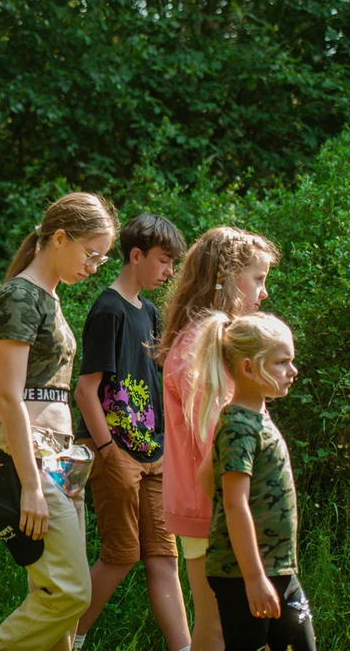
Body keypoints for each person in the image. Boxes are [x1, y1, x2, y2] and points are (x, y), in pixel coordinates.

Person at [0, 192, 119, 651]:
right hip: (34, 458)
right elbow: (8, 395)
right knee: (70, 592)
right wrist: (32, 486)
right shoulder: (21, 296)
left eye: (102, 258)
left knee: (57, 594)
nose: (95, 266)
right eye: (91, 253)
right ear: (60, 237)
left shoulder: (49, 297)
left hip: (62, 457)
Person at [156, 226, 279, 650]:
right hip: (212, 508)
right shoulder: (207, 340)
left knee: (222, 626)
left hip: (213, 506)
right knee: (218, 628)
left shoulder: (207, 334)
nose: (263, 293)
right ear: (226, 276)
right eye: (258, 278)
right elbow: (216, 439)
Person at [73, 214, 191, 650]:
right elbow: (86, 390)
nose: (169, 271)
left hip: (154, 454)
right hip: (114, 451)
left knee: (164, 557)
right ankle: (70, 638)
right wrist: (109, 453)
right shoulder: (108, 309)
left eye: (174, 263)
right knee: (120, 556)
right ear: (135, 255)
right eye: (163, 260)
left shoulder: (152, 312)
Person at [187, 312, 314, 650]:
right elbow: (233, 502)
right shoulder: (238, 425)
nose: (293, 370)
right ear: (248, 368)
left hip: (279, 569)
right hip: (243, 575)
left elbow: (206, 475)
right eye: (282, 362)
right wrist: (253, 577)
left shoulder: (257, 415)